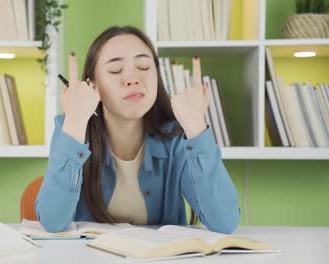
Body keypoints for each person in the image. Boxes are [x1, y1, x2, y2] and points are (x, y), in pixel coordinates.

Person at [35, 26, 240, 234]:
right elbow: (53, 221)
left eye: (143, 66)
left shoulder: (177, 137)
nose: (133, 79)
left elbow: (224, 222)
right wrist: (75, 122)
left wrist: (196, 127)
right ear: (92, 85)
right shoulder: (70, 128)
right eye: (115, 70)